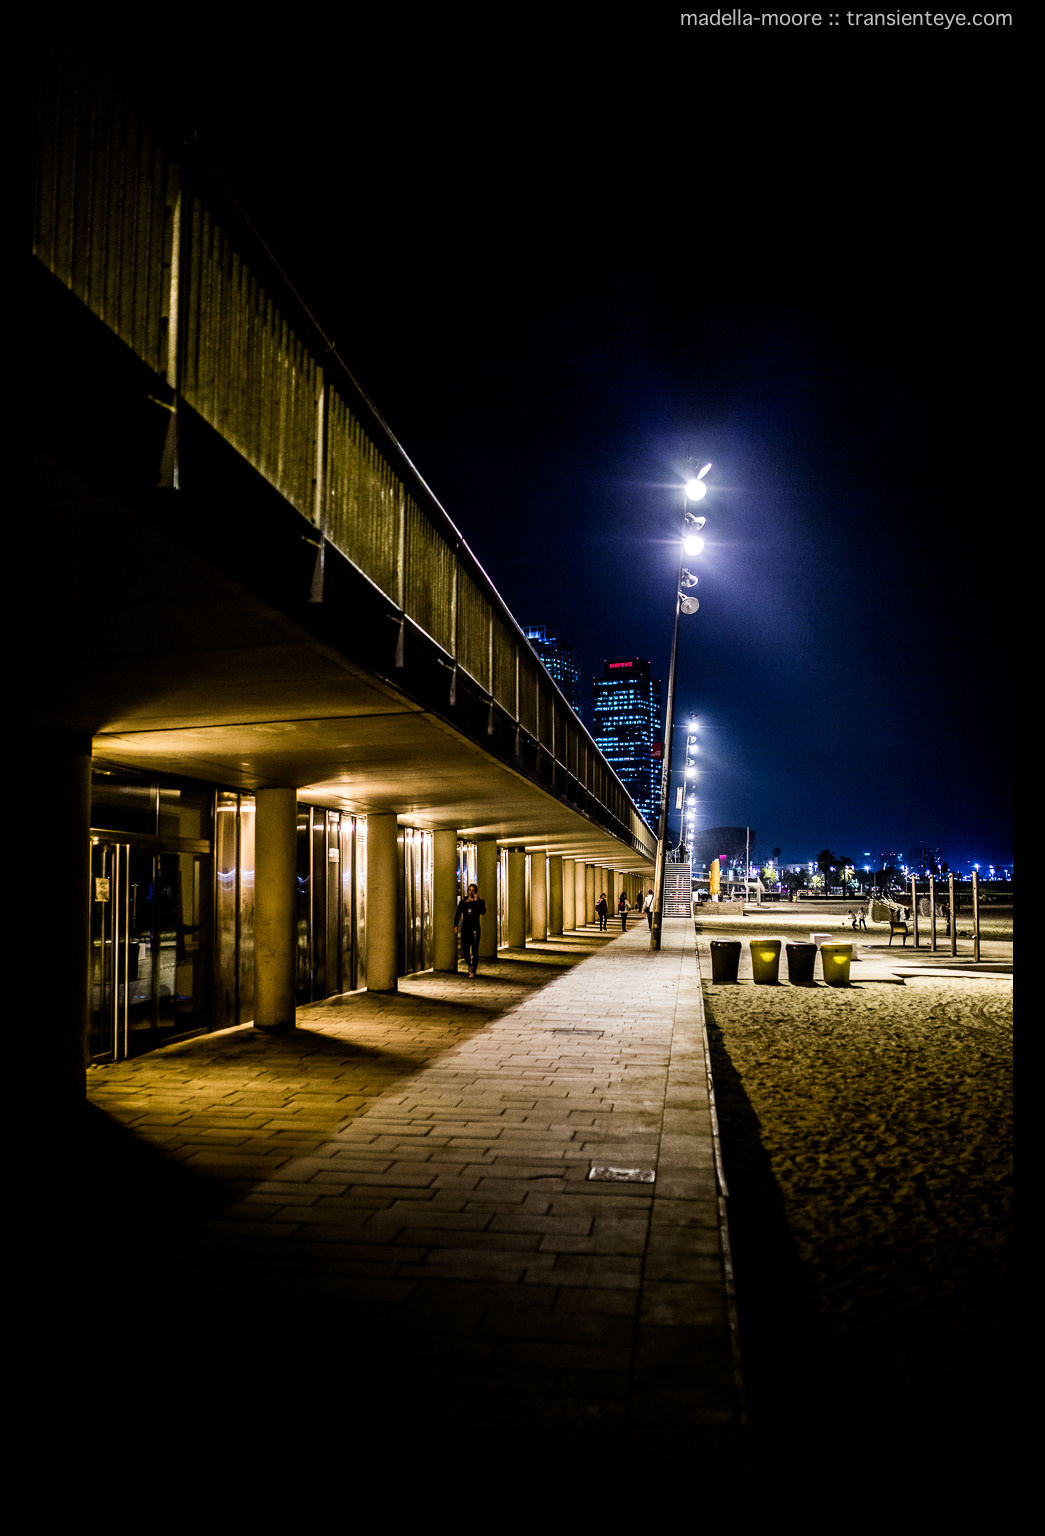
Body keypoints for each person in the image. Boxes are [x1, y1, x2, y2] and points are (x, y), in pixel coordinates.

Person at [454, 883, 487, 978]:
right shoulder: (463, 902)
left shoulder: (480, 902)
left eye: (473, 891)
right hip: (466, 928)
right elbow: (458, 914)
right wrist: (456, 925)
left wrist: (476, 901)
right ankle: (469, 965)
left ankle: (473, 970)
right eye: (469, 890)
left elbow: (483, 912)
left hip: (475, 929)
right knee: (465, 950)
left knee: (475, 950)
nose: (471, 892)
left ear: (476, 892)